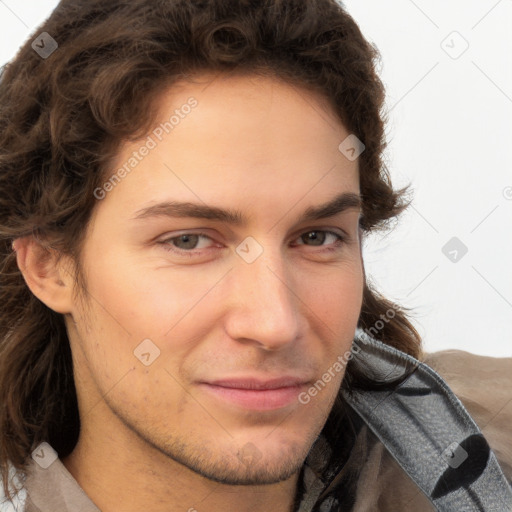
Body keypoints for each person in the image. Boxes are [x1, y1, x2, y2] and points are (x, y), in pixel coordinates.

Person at [0, 0, 510, 511]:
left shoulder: (487, 443)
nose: (275, 323)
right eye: (190, 241)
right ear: (49, 265)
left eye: (317, 237)